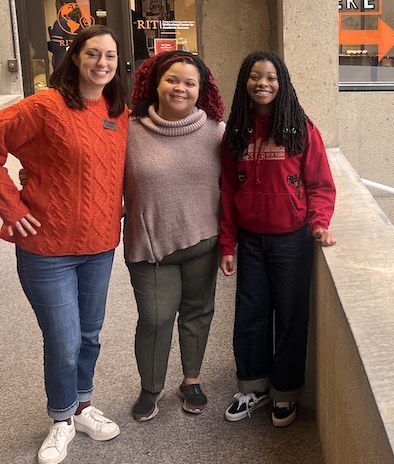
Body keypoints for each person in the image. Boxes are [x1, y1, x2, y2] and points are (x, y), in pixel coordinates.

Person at [0, 25, 128, 464]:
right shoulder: (45, 106)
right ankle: (61, 419)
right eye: (93, 54)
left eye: (110, 56)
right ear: (75, 57)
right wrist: (11, 208)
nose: (102, 64)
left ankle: (83, 405)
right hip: (46, 247)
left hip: (99, 246)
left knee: (89, 335)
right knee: (64, 339)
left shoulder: (118, 108)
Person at [219, 50, 336, 427]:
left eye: (271, 77)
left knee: (290, 317)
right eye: (255, 76)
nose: (263, 84)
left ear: (281, 83)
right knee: (250, 316)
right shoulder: (235, 131)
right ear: (245, 82)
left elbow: (319, 183)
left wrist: (319, 223)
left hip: (292, 242)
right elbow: (226, 192)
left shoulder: (300, 128)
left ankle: (285, 392)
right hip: (251, 241)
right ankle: (253, 387)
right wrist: (227, 244)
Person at [124, 50, 225, 422]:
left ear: (201, 90)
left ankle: (191, 380)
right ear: (155, 83)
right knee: (154, 318)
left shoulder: (217, 132)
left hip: (204, 241)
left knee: (197, 313)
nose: (179, 88)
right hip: (149, 246)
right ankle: (151, 387)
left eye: (189, 82)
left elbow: (235, 186)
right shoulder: (128, 130)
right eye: (172, 80)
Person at [48, 0, 82, 70]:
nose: (56, 8)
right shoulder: (82, 22)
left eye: (57, 5)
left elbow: (56, 47)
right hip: (78, 62)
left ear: (63, 5)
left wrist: (46, 45)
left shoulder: (61, 23)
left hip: (63, 64)